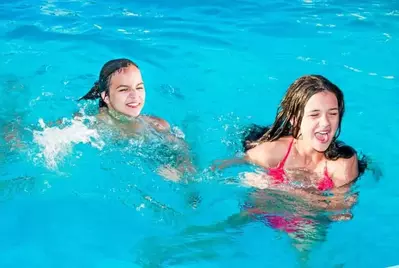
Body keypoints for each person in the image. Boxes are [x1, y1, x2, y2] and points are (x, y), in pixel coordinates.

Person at [207, 74, 370, 257]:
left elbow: (338, 213)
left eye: (333, 113)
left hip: (305, 222)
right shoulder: (271, 152)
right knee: (222, 236)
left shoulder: (343, 161)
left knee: (308, 249)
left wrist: (276, 188)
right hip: (262, 209)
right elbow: (216, 169)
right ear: (294, 119)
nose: (325, 123)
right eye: (314, 114)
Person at [76, 58, 196, 181]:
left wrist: (182, 169)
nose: (135, 96)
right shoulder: (90, 122)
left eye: (139, 87)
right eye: (124, 89)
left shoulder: (156, 124)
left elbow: (182, 149)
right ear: (105, 96)